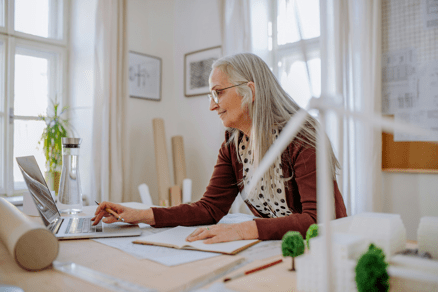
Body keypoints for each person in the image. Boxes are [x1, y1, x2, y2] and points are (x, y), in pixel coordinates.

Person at [92, 53, 347, 243]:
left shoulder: (301, 137)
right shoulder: (233, 144)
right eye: (211, 96)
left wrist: (243, 229)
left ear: (250, 91)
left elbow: (317, 220)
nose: (212, 106)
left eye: (218, 93)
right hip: (279, 249)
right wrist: (140, 214)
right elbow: (209, 209)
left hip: (324, 252)